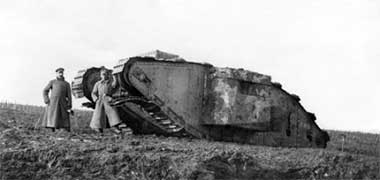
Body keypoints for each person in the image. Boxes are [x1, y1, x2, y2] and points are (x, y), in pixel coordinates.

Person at [90, 67, 126, 134]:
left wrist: (114, 77)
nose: (104, 76)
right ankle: (99, 130)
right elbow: (93, 92)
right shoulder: (97, 84)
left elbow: (115, 85)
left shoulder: (110, 82)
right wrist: (96, 99)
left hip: (108, 99)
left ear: (108, 75)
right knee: (99, 116)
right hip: (100, 100)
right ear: (100, 75)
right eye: (103, 74)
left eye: (106, 74)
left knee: (113, 114)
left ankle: (115, 127)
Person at [42, 68, 72, 132]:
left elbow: (69, 96)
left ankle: (64, 130)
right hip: (53, 102)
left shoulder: (66, 84)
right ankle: (51, 128)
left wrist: (69, 105)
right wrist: (46, 99)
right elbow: (45, 91)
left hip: (63, 103)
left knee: (63, 116)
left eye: (62, 73)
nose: (60, 74)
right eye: (59, 73)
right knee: (52, 116)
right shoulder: (52, 82)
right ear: (56, 73)